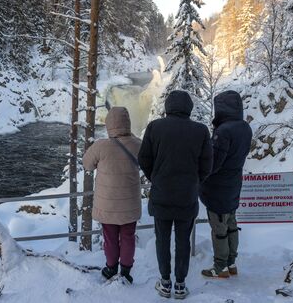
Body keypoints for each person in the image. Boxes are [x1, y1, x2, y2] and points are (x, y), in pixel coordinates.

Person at [138, 90, 213, 299]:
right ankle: (180, 284)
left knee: (162, 239)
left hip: (162, 194)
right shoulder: (200, 130)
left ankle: (165, 282)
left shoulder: (155, 127)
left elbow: (143, 158)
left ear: (168, 107)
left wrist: (157, 177)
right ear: (189, 107)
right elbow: (207, 164)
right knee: (183, 241)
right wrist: (194, 181)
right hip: (186, 196)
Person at [83, 106, 142, 284]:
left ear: (109, 124)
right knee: (128, 236)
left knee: (109, 238)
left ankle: (110, 268)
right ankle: (125, 271)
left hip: (107, 203)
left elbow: (87, 164)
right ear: (127, 123)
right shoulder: (138, 144)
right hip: (130, 202)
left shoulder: (100, 146)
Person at [199, 90, 253, 279]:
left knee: (219, 228)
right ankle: (231, 263)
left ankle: (220, 266)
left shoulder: (223, 131)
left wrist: (200, 172)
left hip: (218, 188)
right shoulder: (245, 127)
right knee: (231, 223)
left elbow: (213, 164)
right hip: (234, 184)